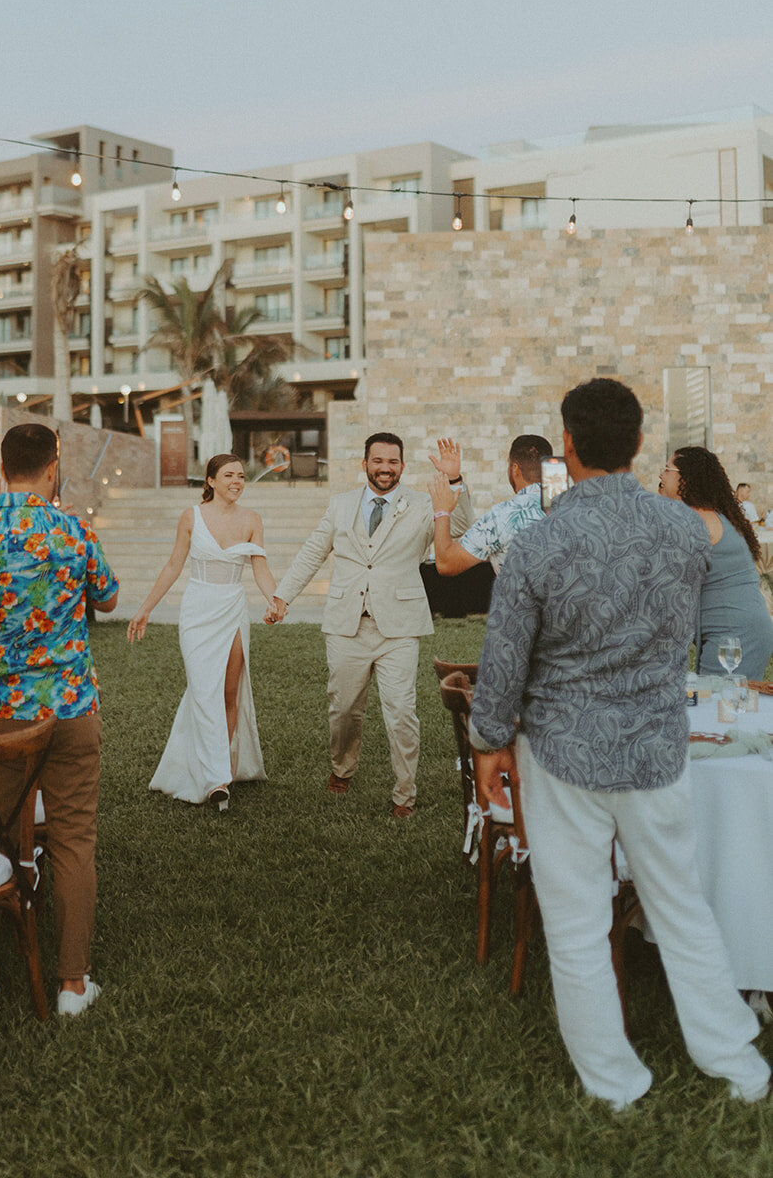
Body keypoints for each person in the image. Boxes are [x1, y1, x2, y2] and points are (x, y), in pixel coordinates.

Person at [470, 378, 770, 1109]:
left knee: (576, 925)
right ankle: (738, 1064)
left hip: (562, 751)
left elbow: (503, 656)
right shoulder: (684, 531)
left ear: (565, 446)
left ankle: (612, 1083)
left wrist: (487, 744)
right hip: (654, 747)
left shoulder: (539, 540)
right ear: (637, 445)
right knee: (681, 908)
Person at [0, 423, 119, 1018]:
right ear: (52, 467)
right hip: (71, 709)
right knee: (75, 839)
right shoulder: (74, 530)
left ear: (3, 467)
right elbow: (107, 598)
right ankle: (73, 985)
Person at [269, 433, 471, 819]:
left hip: (399, 627)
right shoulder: (341, 505)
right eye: (377, 461)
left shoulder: (422, 503)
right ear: (365, 464)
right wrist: (283, 596)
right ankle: (342, 768)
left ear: (402, 466)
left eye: (392, 462)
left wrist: (455, 481)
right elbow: (314, 550)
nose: (385, 468)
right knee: (344, 709)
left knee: (401, 713)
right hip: (347, 624)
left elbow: (460, 526)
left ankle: (404, 794)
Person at [128, 452, 280, 810]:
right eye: (229, 475)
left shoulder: (252, 519)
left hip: (233, 607)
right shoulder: (190, 517)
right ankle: (211, 775)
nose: (237, 482)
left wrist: (276, 599)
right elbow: (172, 565)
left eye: (241, 476)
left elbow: (261, 568)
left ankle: (219, 775)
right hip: (198, 610)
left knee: (228, 692)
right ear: (210, 481)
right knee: (202, 689)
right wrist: (145, 608)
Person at [659, 446, 773, 680]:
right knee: (724, 709)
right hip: (743, 629)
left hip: (734, 635)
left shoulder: (696, 521)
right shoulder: (710, 515)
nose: (661, 475)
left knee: (718, 708)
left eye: (667, 469)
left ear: (685, 479)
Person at [430, 434, 552, 576]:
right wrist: (454, 480)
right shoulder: (575, 507)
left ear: (515, 469)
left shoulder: (505, 516)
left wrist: (441, 511)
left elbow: (446, 563)